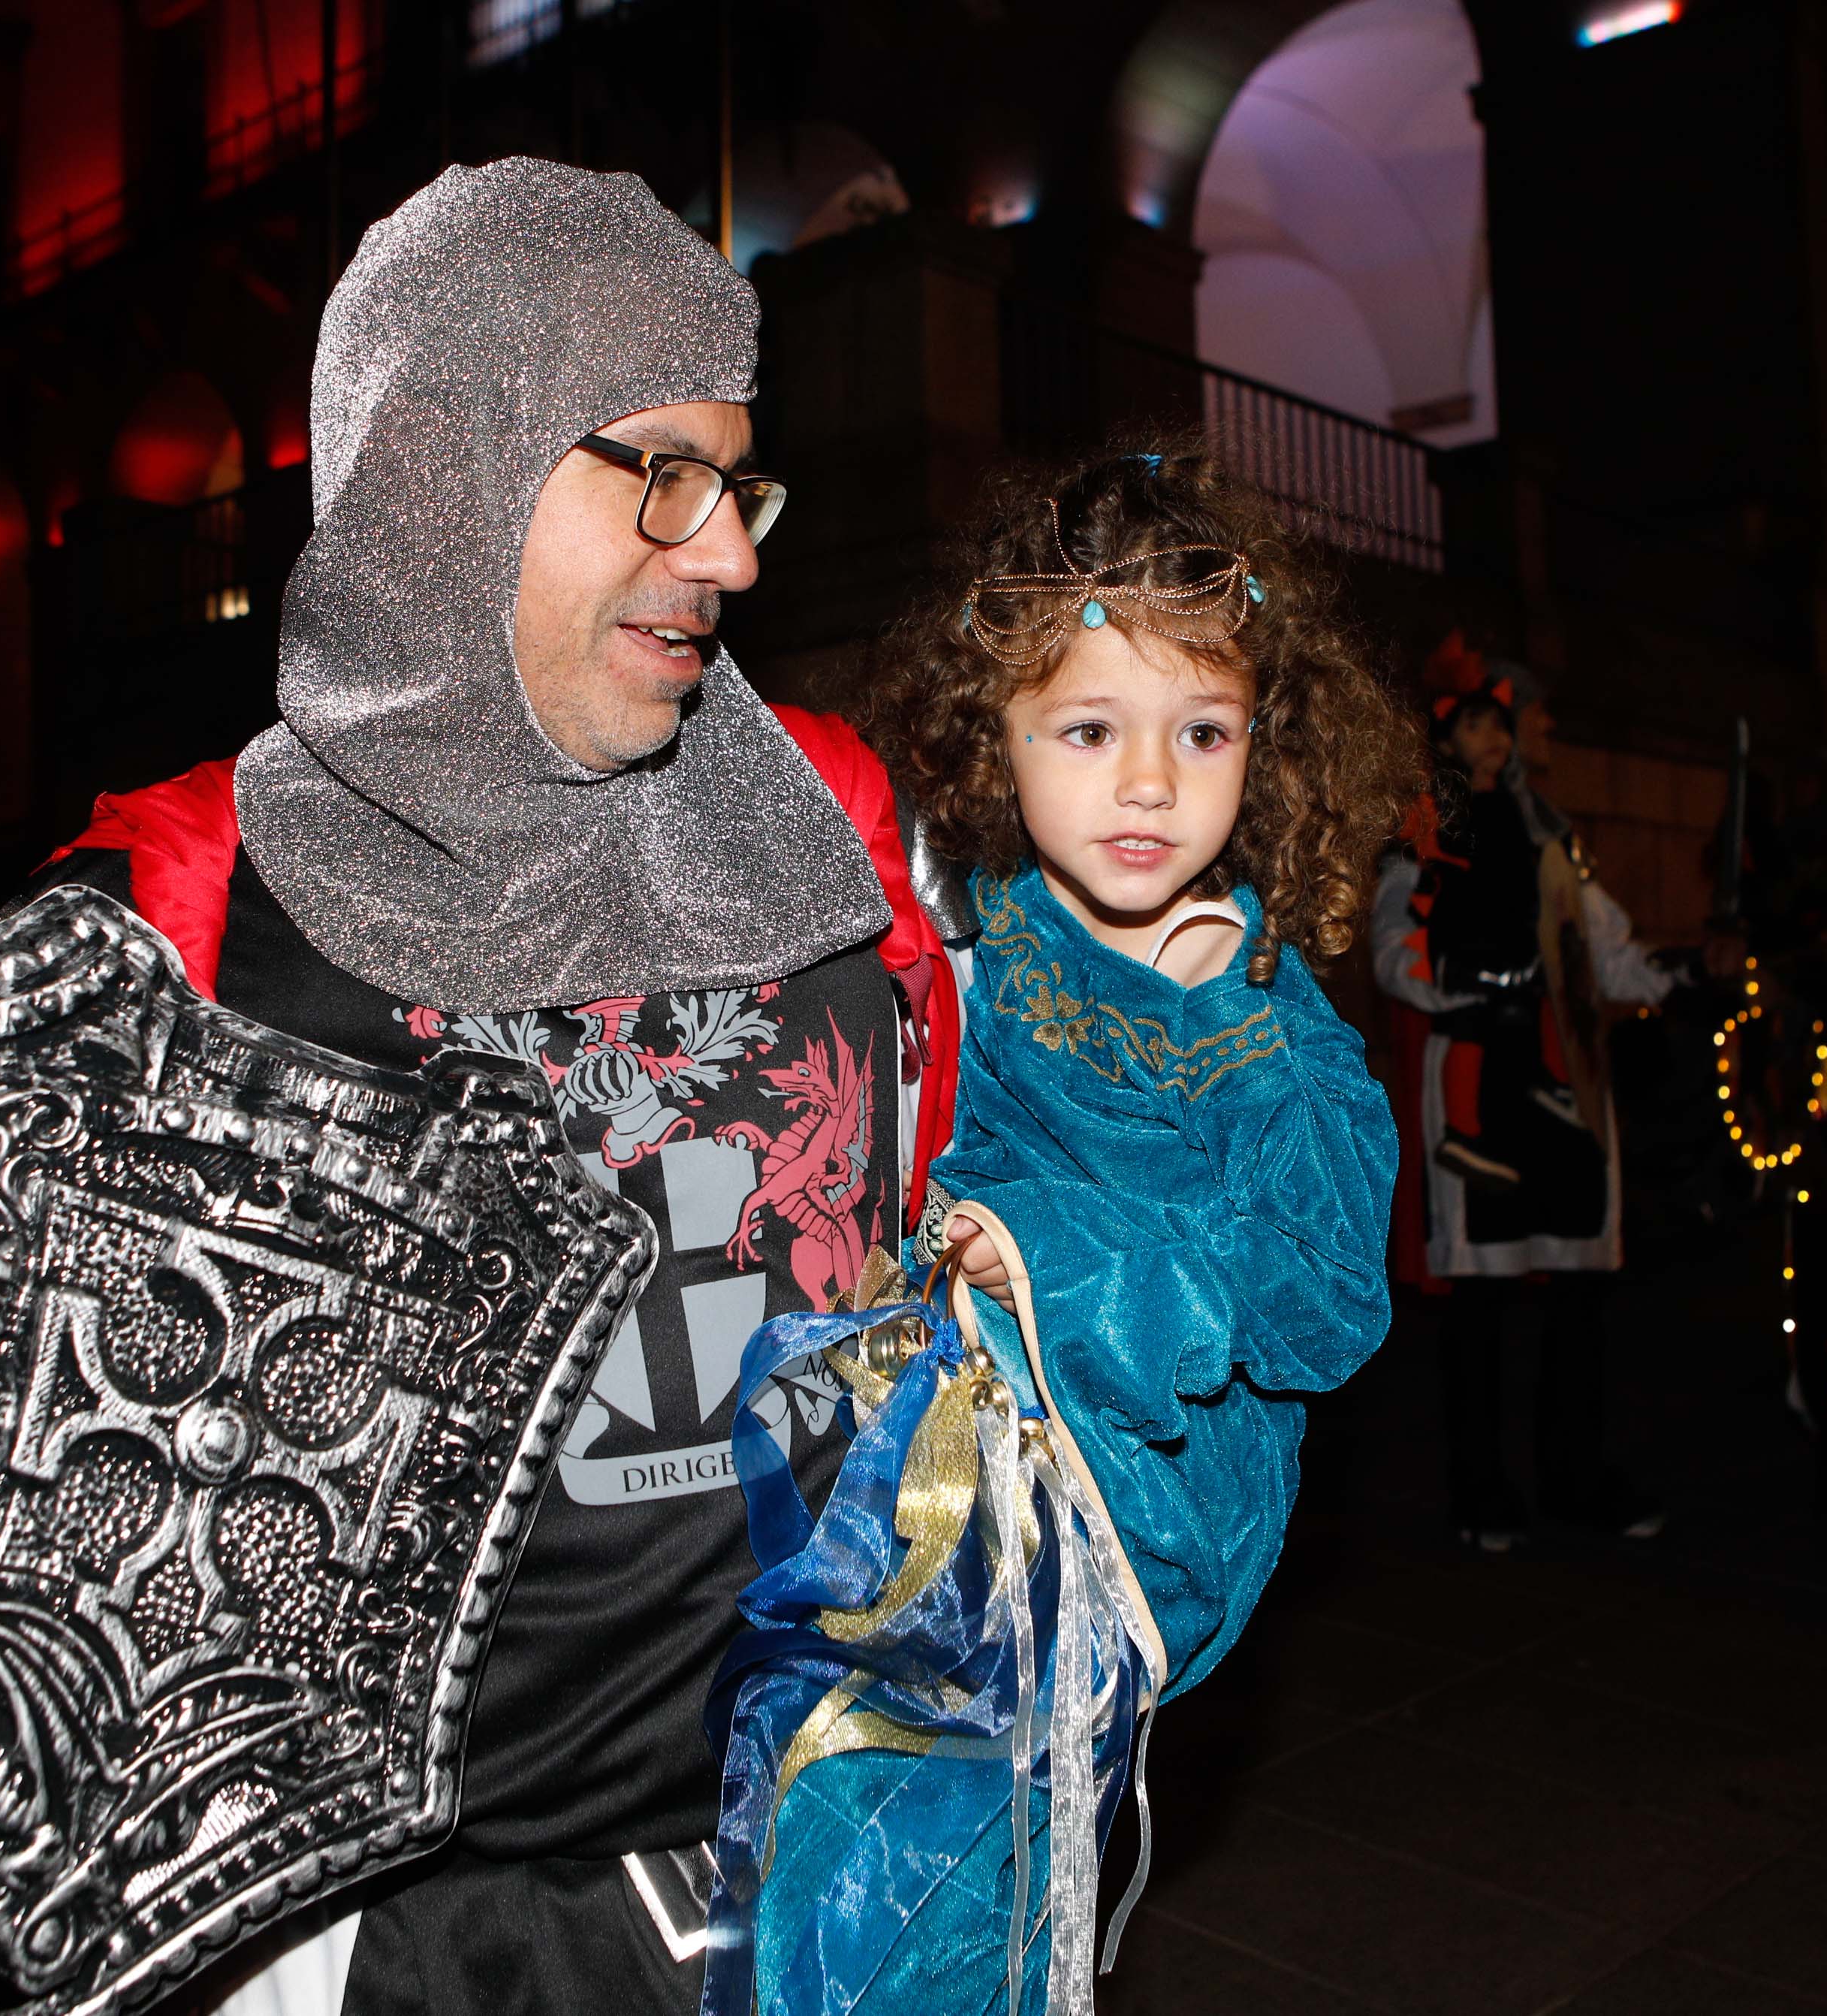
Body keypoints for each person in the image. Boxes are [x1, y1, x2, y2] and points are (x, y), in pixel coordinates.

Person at [0, 160, 964, 2016]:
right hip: (412, 1945)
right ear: (452, 462)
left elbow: (1002, 1243)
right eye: (666, 478)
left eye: (741, 483)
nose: (734, 555)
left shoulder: (838, 828)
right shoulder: (173, 918)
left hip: (851, 1873)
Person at [702, 450, 1424, 2015]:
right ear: (996, 739)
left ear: (1267, 747)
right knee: (816, 1865)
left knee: (932, 1894)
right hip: (929, 1475)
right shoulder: (969, 930)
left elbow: (1323, 1301)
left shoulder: (1262, 1024)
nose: (1150, 783)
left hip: (1139, 1509)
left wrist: (1055, 1258)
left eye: (1202, 731)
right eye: (1088, 730)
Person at [1370, 645, 1680, 1553]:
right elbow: (1398, 952)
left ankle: (1575, 1474)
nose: (1496, 740)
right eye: (1477, 723)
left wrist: (1670, 978)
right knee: (1479, 1298)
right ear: (1442, 735)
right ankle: (1480, 1485)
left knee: (1578, 1289)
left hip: (1561, 1077)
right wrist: (1478, 984)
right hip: (1479, 1078)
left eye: (1500, 723)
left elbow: (1597, 938)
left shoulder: (1546, 829)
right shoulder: (1425, 834)